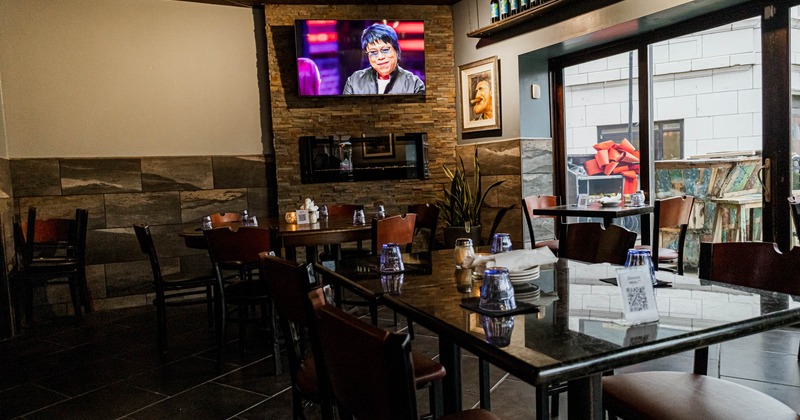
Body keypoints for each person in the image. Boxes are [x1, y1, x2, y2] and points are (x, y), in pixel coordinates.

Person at [342, 23, 425, 95]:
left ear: (396, 50)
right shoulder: (354, 81)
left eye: (385, 50)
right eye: (373, 52)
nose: (380, 57)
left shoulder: (414, 84)